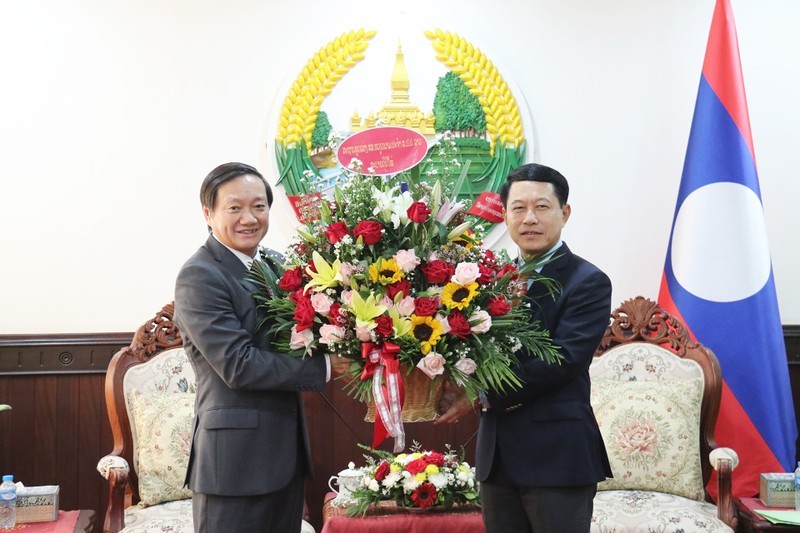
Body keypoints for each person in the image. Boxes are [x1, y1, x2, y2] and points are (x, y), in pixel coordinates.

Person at [435, 163, 612, 533]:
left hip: (557, 459)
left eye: (542, 207)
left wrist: (478, 394)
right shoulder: (488, 282)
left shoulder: (588, 282)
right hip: (497, 458)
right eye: (518, 208)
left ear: (564, 213)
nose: (529, 218)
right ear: (504, 214)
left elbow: (562, 361)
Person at [174, 162, 336, 532]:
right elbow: (239, 365)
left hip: (286, 457)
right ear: (208, 213)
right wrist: (327, 367)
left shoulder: (276, 265)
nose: (249, 218)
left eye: (259, 206)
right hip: (234, 466)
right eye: (234, 208)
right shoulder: (199, 275)